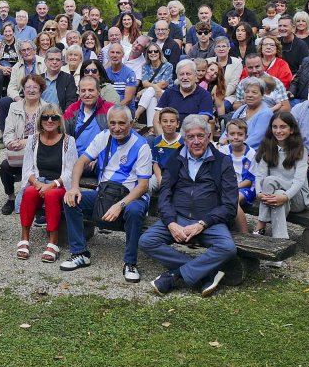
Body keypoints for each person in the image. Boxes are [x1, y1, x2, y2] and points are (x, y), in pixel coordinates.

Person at [141, 114, 236, 296]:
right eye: (191, 137)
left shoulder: (223, 161)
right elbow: (164, 196)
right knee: (147, 241)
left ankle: (175, 275)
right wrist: (171, 222)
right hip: (178, 218)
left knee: (227, 248)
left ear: (209, 137)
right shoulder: (175, 159)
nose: (196, 141)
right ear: (184, 140)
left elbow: (230, 204)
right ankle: (207, 273)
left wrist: (203, 223)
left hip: (209, 221)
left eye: (200, 136)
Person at [59, 107, 152, 282]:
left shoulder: (141, 146)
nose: (117, 128)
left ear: (131, 123)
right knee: (71, 200)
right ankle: (79, 253)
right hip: (105, 193)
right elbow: (80, 162)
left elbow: (143, 186)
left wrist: (120, 205)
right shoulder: (103, 136)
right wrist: (74, 188)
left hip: (132, 196)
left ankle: (130, 262)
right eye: (112, 123)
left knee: (133, 211)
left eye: (122, 123)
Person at [16, 103, 79, 263]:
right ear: (40, 120)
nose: (49, 120)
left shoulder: (69, 141)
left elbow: (70, 172)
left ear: (59, 120)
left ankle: (53, 242)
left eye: (54, 117)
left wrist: (51, 185)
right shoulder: (33, 140)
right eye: (45, 117)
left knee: (51, 195)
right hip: (39, 182)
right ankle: (24, 237)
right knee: (29, 192)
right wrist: (38, 184)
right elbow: (27, 169)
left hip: (59, 184)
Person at [253, 112, 309, 244]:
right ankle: (280, 241)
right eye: (275, 127)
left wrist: (285, 197)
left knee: (270, 181)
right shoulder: (267, 148)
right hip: (276, 195)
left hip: (297, 198)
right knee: (274, 189)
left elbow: (299, 181)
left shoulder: (301, 150)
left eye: (283, 127)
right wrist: (259, 193)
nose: (278, 131)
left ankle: (261, 223)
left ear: (291, 130)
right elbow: (260, 175)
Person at [0, 74, 45, 215]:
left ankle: (39, 199)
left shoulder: (47, 108)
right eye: (28, 87)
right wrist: (10, 143)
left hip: (39, 153)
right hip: (18, 152)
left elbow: (48, 134)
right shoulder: (14, 107)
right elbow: (8, 131)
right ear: (23, 90)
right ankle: (11, 198)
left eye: (35, 87)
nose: (31, 90)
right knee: (4, 166)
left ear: (41, 90)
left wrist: (27, 141)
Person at [218, 118, 256, 233]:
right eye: (232, 134)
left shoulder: (251, 154)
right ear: (227, 136)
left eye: (240, 134)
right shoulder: (223, 151)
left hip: (245, 187)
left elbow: (249, 181)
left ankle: (245, 233)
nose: (236, 137)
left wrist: (232, 187)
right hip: (227, 186)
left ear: (246, 136)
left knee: (233, 200)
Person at [103, 44, 138, 110]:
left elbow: (127, 100)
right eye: (112, 52)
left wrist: (113, 111)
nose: (115, 55)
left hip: (125, 110)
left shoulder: (130, 73)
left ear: (123, 55)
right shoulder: (105, 73)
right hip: (107, 109)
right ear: (108, 55)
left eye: (118, 53)